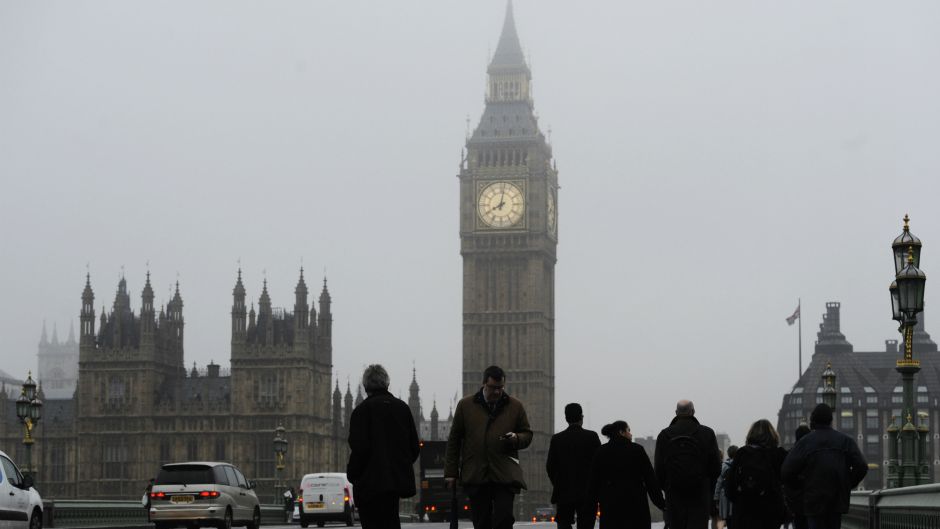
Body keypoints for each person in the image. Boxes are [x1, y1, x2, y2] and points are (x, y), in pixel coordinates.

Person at [444, 365, 533, 529]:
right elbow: (454, 440)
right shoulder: (466, 406)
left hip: (504, 473)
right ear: (484, 384)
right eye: (494, 388)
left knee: (504, 518)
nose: (498, 392)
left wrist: (516, 438)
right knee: (481, 521)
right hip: (477, 473)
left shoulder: (515, 406)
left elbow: (527, 434)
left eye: (501, 388)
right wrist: (451, 473)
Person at [346, 364, 420, 529]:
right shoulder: (403, 409)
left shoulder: (360, 411)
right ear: (387, 384)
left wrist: (353, 475)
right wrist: (399, 466)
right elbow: (414, 448)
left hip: (368, 487)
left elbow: (359, 450)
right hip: (393, 486)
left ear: (366, 387)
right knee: (391, 521)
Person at [781, 404, 867, 529]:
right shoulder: (845, 441)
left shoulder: (805, 442)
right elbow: (862, 467)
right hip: (836, 502)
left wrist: (802, 486)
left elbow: (786, 472)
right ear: (830, 420)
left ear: (813, 421)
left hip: (813, 501)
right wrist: (847, 483)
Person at [655, 399, 722, 529]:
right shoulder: (707, 433)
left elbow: (659, 469)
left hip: (674, 494)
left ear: (676, 413)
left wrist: (668, 487)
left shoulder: (664, 435)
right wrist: (707, 486)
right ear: (693, 412)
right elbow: (716, 467)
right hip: (700, 494)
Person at [589, 420, 665, 529]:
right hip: (636, 507)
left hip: (611, 508)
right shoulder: (637, 450)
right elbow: (650, 480)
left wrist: (590, 508)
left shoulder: (601, 452)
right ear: (621, 432)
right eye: (628, 430)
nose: (631, 434)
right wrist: (661, 503)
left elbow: (593, 484)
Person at [546, 403, 602, 529]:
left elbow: (550, 467)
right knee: (586, 524)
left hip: (563, 493)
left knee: (564, 523)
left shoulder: (557, 439)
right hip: (587, 493)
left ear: (566, 418)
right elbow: (599, 465)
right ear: (581, 417)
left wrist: (558, 483)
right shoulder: (592, 437)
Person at [725, 420, 787, 529]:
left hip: (744, 513)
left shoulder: (742, 453)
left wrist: (740, 501)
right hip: (770, 513)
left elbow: (729, 487)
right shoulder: (778, 454)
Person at [784, 425, 811, 529]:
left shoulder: (790, 453)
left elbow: (785, 476)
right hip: (815, 500)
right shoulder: (814, 453)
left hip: (796, 502)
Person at [713, 445, 737, 529]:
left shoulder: (724, 466)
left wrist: (716, 498)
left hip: (725, 496)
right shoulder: (739, 465)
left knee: (728, 520)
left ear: (728, 454)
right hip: (736, 497)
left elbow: (719, 483)